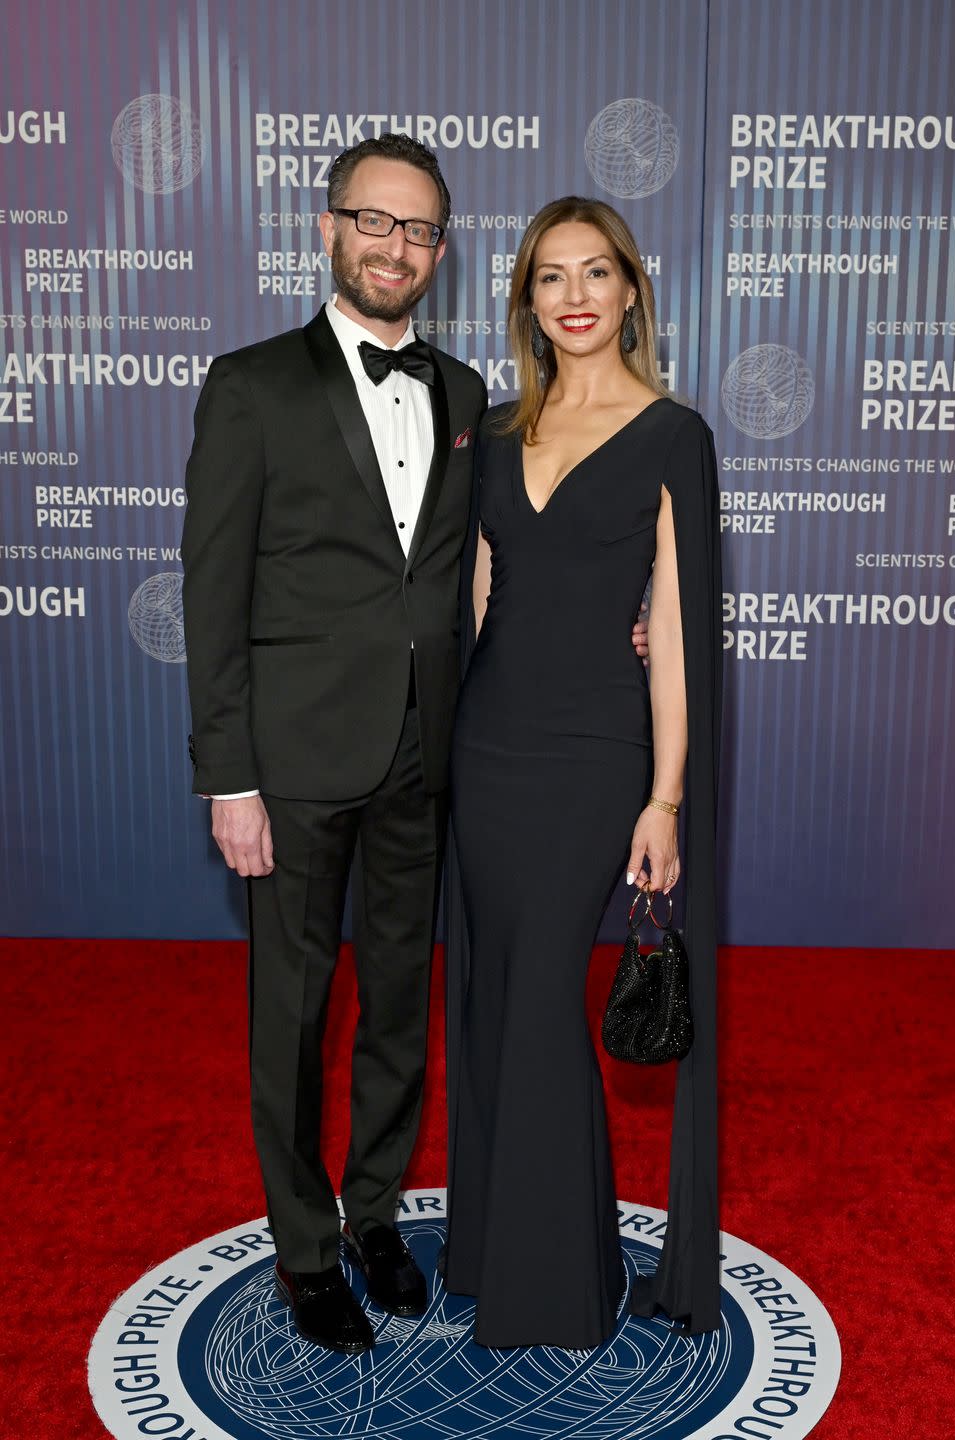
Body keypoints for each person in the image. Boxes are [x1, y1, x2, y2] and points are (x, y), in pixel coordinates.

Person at [181, 134, 489, 1355]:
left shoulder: (463, 395)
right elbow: (213, 595)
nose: (394, 248)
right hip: (293, 764)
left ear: (442, 250)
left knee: (402, 1011)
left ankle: (373, 1216)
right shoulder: (252, 385)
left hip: (426, 755)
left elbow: (469, 573)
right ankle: (304, 1249)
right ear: (327, 229)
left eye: (417, 230)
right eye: (374, 221)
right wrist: (230, 776)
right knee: (293, 1019)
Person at [443, 196, 722, 1349]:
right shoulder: (498, 436)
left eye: (595, 274)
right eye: (550, 277)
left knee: (549, 986)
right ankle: (495, 1244)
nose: (573, 296)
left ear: (631, 293)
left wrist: (664, 797)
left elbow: (677, 637)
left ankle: (556, 1290)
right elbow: (469, 606)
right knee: (496, 989)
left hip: (599, 753)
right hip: (488, 746)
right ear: (527, 301)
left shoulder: (674, 436)